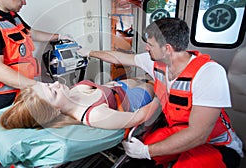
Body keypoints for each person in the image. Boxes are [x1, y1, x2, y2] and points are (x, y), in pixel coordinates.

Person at [77, 18, 243, 168]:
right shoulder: (157, 62)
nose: (146, 48)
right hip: (176, 129)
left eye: (150, 44)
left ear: (167, 49)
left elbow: (198, 134)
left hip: (212, 144)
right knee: (137, 160)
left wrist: (146, 150)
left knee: (154, 155)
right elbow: (118, 57)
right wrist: (89, 52)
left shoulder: (209, 73)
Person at [0, 78, 154, 130]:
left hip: (116, 86)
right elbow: (138, 117)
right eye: (53, 92)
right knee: (152, 83)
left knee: (142, 77)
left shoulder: (69, 93)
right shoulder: (94, 115)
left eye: (48, 84)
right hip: (131, 100)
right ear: (55, 111)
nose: (57, 83)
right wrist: (161, 98)